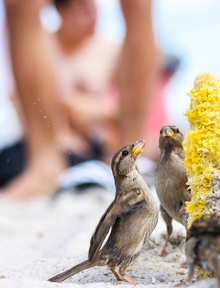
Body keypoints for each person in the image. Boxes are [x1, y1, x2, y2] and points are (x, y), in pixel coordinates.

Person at [1, 0, 160, 200]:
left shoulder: (107, 50)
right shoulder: (42, 46)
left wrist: (97, 111)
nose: (93, 17)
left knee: (170, 136)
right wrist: (67, 111)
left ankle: (131, 162)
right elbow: (17, 99)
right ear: (61, 11)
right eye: (84, 10)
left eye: (94, 10)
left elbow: (126, 110)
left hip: (94, 145)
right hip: (53, 144)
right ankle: (45, 166)